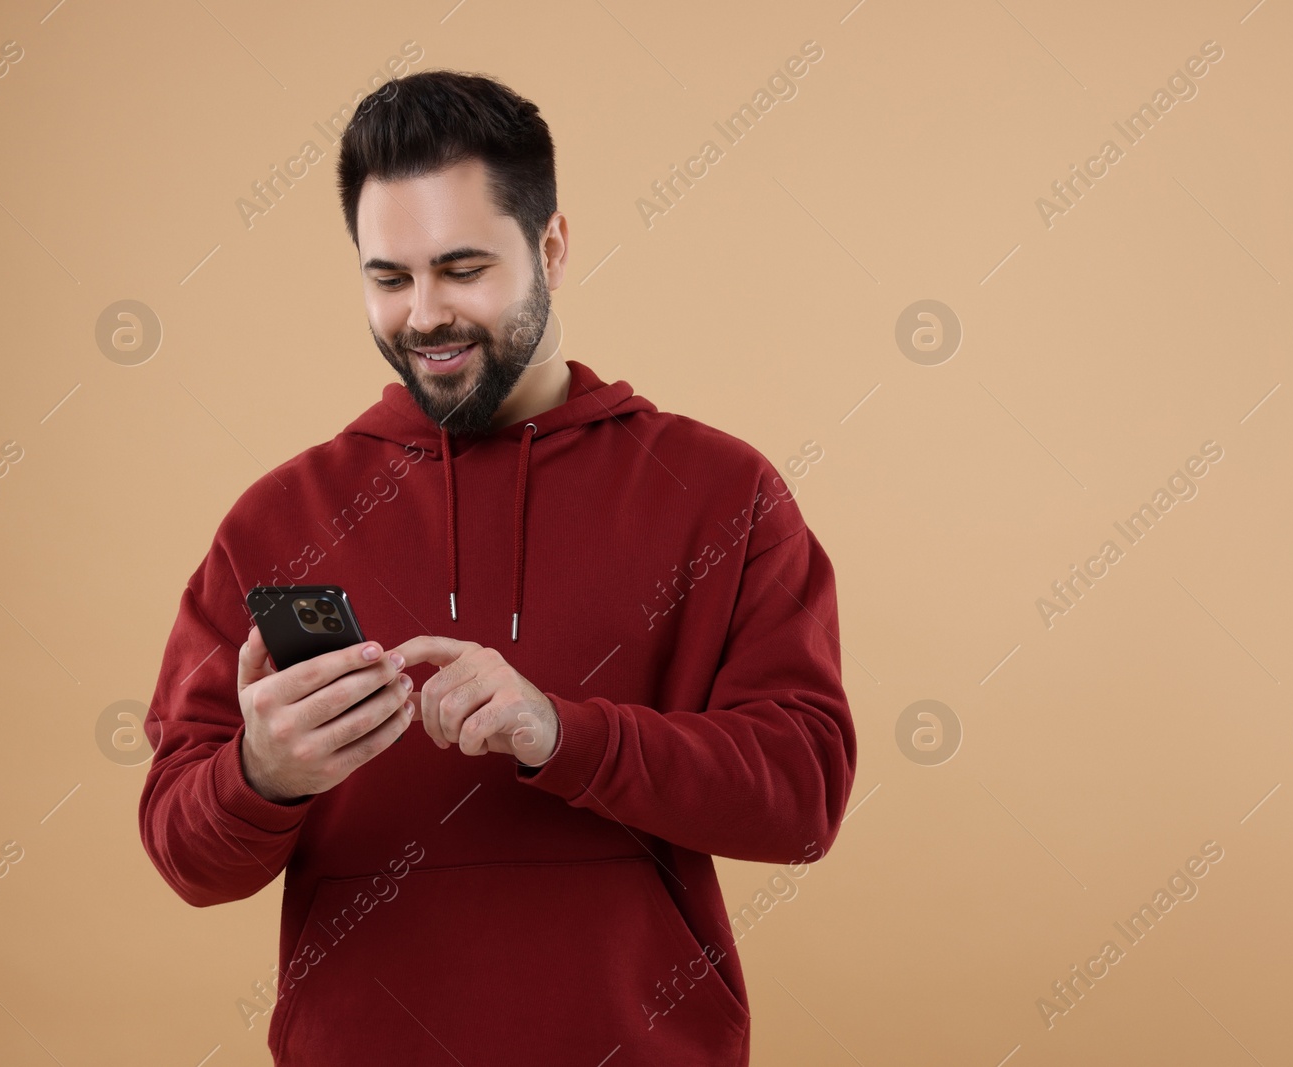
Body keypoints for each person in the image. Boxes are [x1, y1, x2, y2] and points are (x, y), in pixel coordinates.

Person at [137, 69, 856, 1066]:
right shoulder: (276, 520)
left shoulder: (720, 492)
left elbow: (801, 797)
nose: (424, 315)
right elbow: (187, 854)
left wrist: (564, 732)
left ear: (551, 247)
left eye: (462, 268)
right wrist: (265, 774)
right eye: (388, 277)